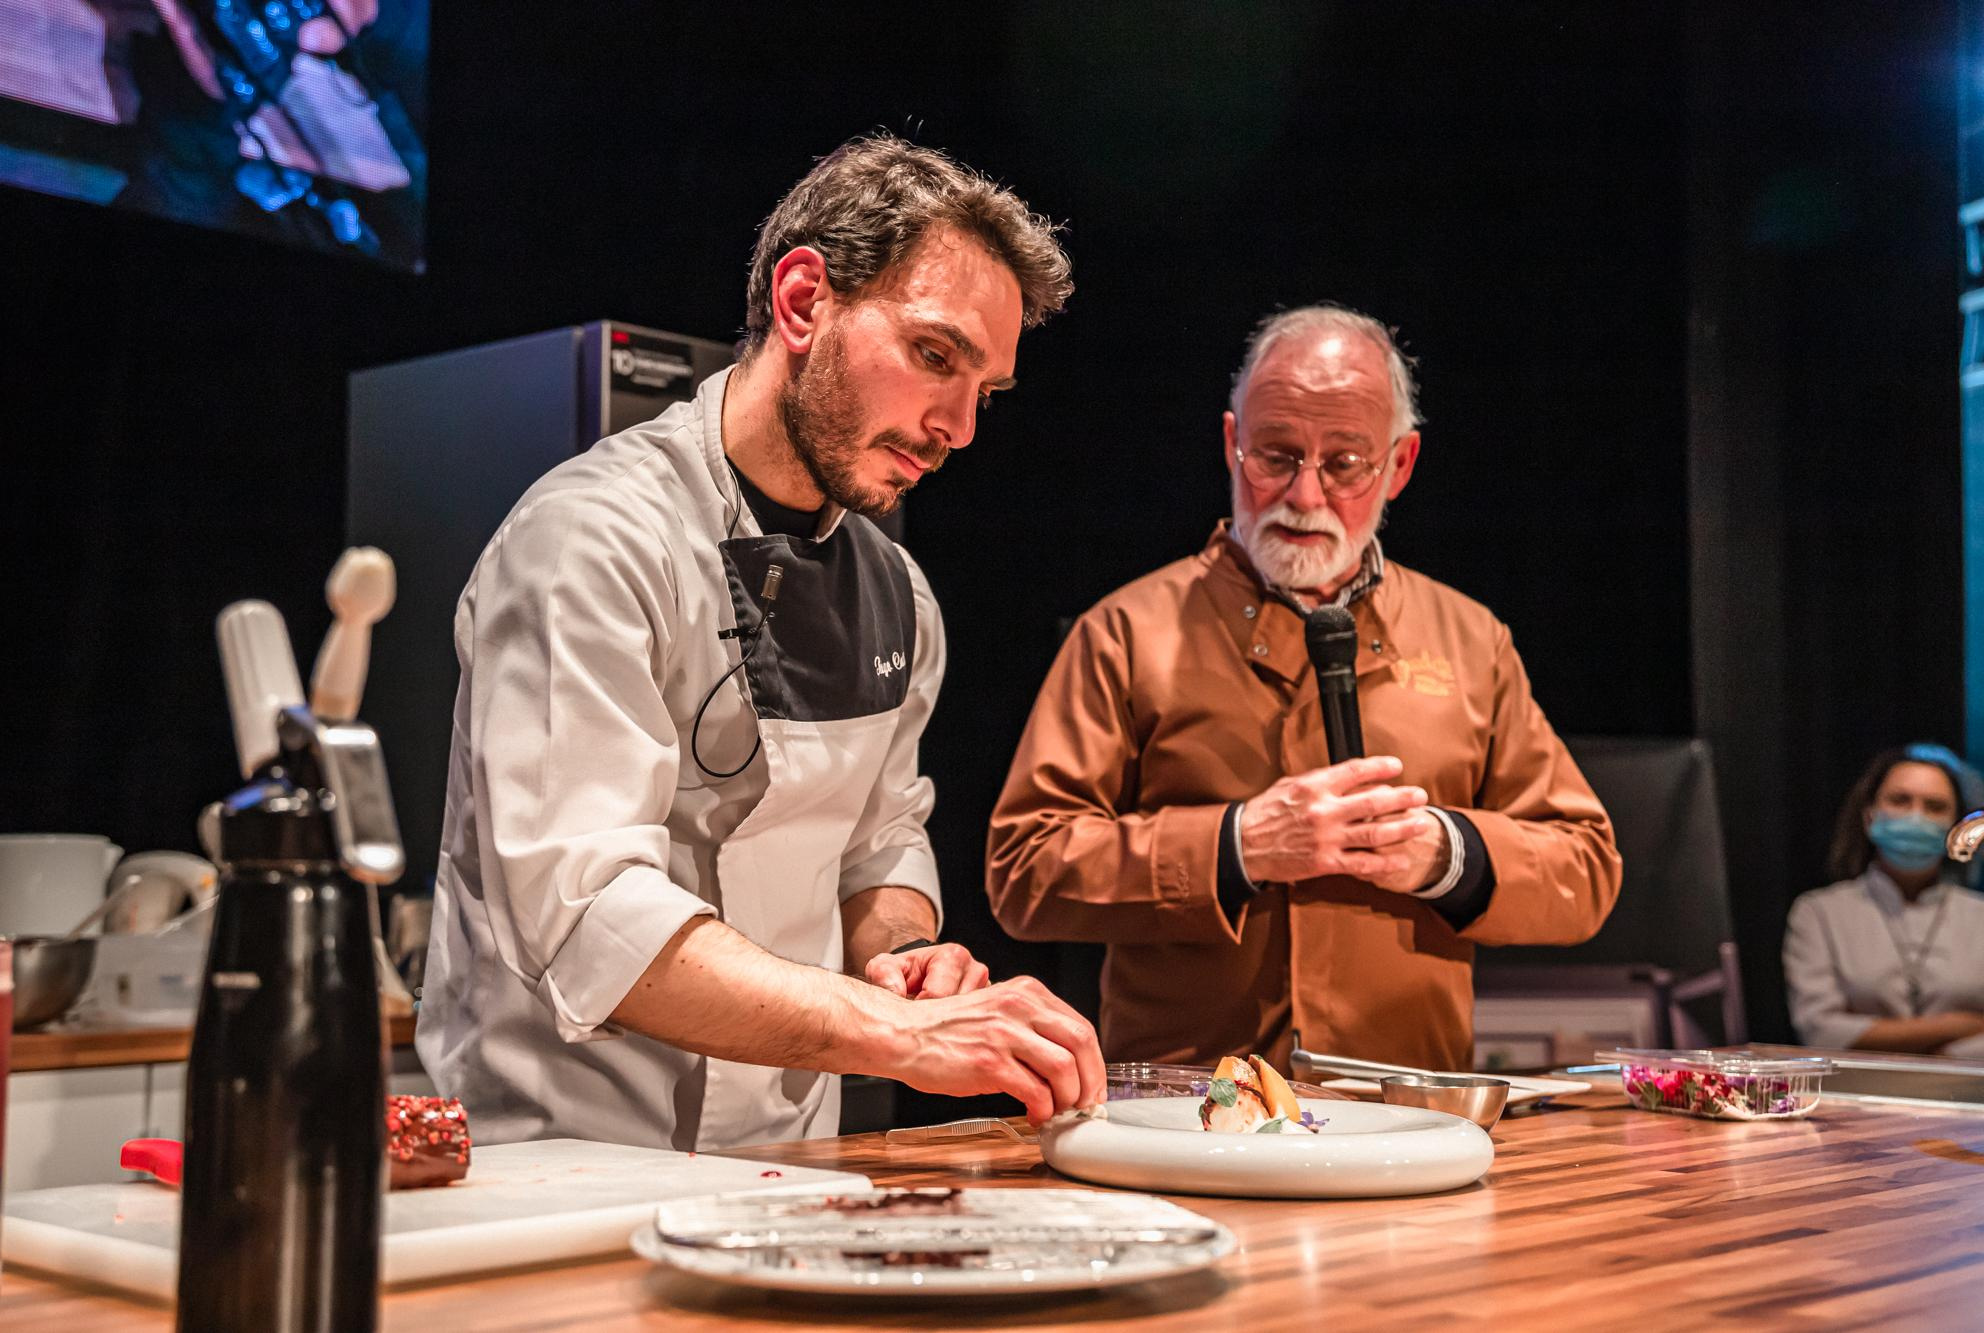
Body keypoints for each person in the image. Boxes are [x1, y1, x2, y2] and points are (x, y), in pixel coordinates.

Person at [419, 135, 1104, 1150]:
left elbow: (877, 840)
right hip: (563, 1162)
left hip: (784, 1164)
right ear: (800, 302)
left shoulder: (898, 594)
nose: (958, 425)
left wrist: (906, 958)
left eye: (984, 391)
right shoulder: (592, 539)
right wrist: (902, 1036)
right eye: (933, 355)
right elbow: (586, 914)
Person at [986, 302, 1622, 1073]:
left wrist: (1447, 853)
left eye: (1345, 463)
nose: (1305, 495)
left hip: (1409, 1114)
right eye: (1276, 455)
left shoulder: (1471, 637)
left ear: (1400, 463)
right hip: (1184, 1116)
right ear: (1231, 445)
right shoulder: (1125, 630)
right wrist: (1239, 843)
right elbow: (1025, 867)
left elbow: (1585, 868)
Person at [1783, 743, 1984, 1057]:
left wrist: (1876, 1035)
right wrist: (1961, 1025)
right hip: (1854, 1095)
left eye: (1934, 806)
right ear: (1869, 816)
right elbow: (1821, 1030)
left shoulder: (1979, 915)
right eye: (1900, 800)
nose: (1916, 817)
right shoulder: (1819, 912)